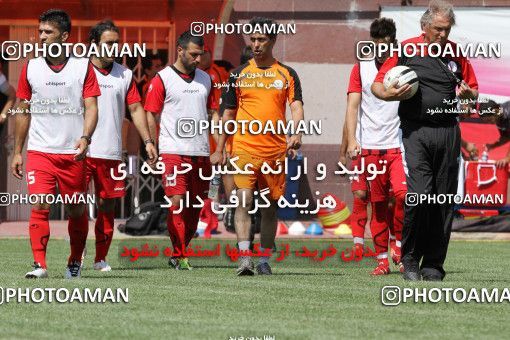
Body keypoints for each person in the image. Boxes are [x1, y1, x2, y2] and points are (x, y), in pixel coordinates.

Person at [371, 0, 478, 281]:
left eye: (447, 30)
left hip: (448, 132)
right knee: (418, 196)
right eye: (438, 29)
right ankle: (409, 259)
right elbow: (378, 85)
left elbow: (472, 93)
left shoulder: (456, 54)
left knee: (442, 201)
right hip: (415, 132)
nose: (443, 35)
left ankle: (433, 264)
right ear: (424, 27)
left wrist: (468, 97)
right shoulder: (406, 50)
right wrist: (389, 94)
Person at [11, 9, 100, 279]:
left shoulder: (84, 66)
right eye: (40, 32)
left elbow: (92, 107)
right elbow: (23, 110)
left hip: (73, 153)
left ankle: (75, 261)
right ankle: (40, 265)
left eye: (48, 32)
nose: (41, 37)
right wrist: (18, 151)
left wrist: (85, 138)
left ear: (64, 35)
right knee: (39, 204)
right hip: (40, 151)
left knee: (76, 208)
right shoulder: (31, 67)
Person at [216, 17, 304, 276]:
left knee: (269, 208)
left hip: (274, 151)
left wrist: (296, 132)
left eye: (261, 40)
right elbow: (228, 114)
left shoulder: (287, 73)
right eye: (252, 40)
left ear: (273, 41)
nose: (256, 45)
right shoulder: (238, 74)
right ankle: (245, 258)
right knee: (242, 200)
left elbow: (296, 106)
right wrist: (220, 148)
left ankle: (264, 259)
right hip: (243, 148)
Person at [144, 31, 221, 270]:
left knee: (194, 207)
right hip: (172, 151)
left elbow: (214, 114)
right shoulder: (162, 79)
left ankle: (180, 251)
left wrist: (222, 146)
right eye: (194, 54)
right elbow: (150, 112)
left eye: (201, 55)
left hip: (201, 151)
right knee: (176, 201)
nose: (198, 59)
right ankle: (180, 254)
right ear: (180, 50)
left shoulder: (206, 79)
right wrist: (152, 144)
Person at [85, 20, 157, 271]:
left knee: (107, 206)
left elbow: (136, 108)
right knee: (77, 205)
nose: (114, 48)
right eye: (109, 43)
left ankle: (100, 258)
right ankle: (77, 255)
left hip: (111, 152)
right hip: (81, 152)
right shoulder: (78, 70)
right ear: (94, 44)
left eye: (117, 43)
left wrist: (148, 141)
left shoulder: (125, 74)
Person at [345, 18, 406, 275]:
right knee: (377, 205)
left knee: (404, 196)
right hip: (369, 147)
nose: (381, 49)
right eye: (376, 44)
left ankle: (400, 247)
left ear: (392, 42)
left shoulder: (403, 66)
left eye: (385, 44)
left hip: (397, 145)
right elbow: (352, 106)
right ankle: (382, 260)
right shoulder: (360, 68)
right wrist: (351, 140)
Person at [479, 99, 510, 168]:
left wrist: (507, 158)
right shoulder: (498, 118)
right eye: (486, 121)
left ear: (496, 110)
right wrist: (493, 145)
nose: (490, 123)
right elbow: (506, 137)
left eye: (489, 120)